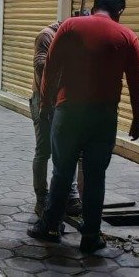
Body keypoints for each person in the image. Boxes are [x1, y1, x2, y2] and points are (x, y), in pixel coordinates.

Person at [27, 0, 139, 253]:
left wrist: (46, 104)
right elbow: (137, 83)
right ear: (119, 12)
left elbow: (51, 69)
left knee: (62, 172)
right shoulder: (127, 36)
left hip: (68, 112)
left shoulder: (69, 27)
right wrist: (138, 120)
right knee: (95, 176)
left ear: (94, 6)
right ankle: (91, 235)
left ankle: (50, 227)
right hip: (103, 117)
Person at [30, 16, 84, 219]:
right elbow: (41, 66)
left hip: (66, 102)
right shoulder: (47, 36)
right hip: (43, 99)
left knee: (68, 150)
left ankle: (70, 196)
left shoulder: (77, 38)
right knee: (44, 150)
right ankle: (41, 197)